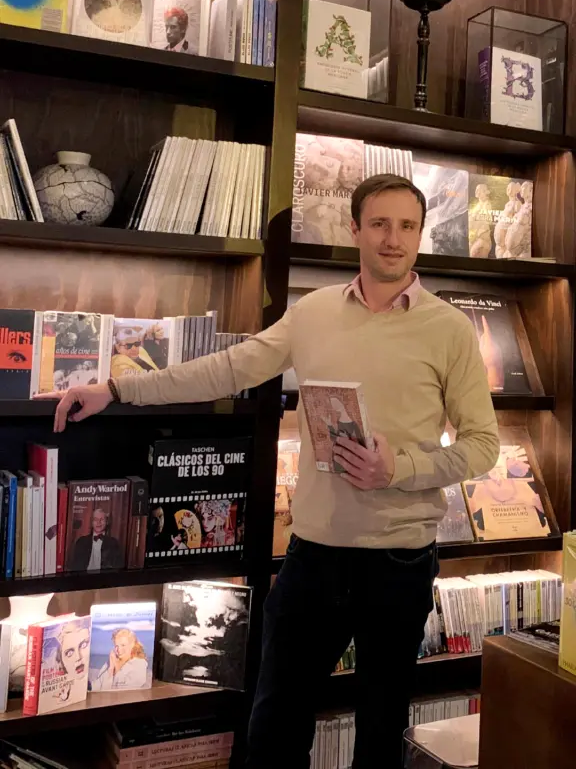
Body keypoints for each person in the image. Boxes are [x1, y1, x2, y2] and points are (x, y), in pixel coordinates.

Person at [39, 174, 499, 769]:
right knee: (275, 723)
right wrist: (118, 388)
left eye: (407, 226)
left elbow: (483, 446)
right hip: (314, 558)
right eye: (380, 224)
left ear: (419, 234)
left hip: (401, 561)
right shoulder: (314, 313)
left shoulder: (450, 330)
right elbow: (228, 369)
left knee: (381, 729)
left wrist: (400, 467)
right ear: (354, 229)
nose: (393, 239)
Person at [68, 507, 123, 572]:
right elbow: (75, 567)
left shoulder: (113, 543)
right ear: (91, 522)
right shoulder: (81, 542)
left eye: (102, 519)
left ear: (106, 522)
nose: (98, 522)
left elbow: (117, 567)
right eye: (95, 519)